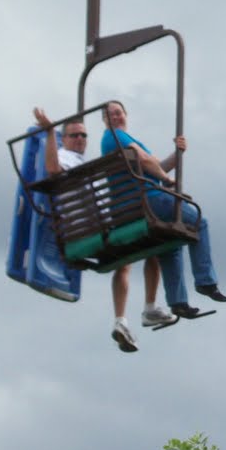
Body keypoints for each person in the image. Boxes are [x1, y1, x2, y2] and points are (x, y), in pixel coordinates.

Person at [33, 106, 172, 354]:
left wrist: (175, 156)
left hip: (89, 226)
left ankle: (121, 320)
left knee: (130, 256)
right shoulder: (65, 157)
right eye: (74, 135)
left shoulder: (79, 162)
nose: (80, 139)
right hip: (88, 230)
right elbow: (53, 170)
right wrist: (51, 132)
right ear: (64, 139)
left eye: (84, 135)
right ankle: (149, 308)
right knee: (154, 237)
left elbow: (150, 168)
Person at [99, 100, 226, 325]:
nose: (117, 117)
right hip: (148, 200)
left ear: (126, 114)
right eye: (111, 115)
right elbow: (146, 161)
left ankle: (178, 301)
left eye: (119, 113)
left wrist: (177, 154)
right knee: (198, 222)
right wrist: (165, 180)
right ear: (105, 120)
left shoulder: (117, 139)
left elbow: (155, 165)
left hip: (132, 205)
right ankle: (205, 281)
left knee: (172, 241)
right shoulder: (115, 136)